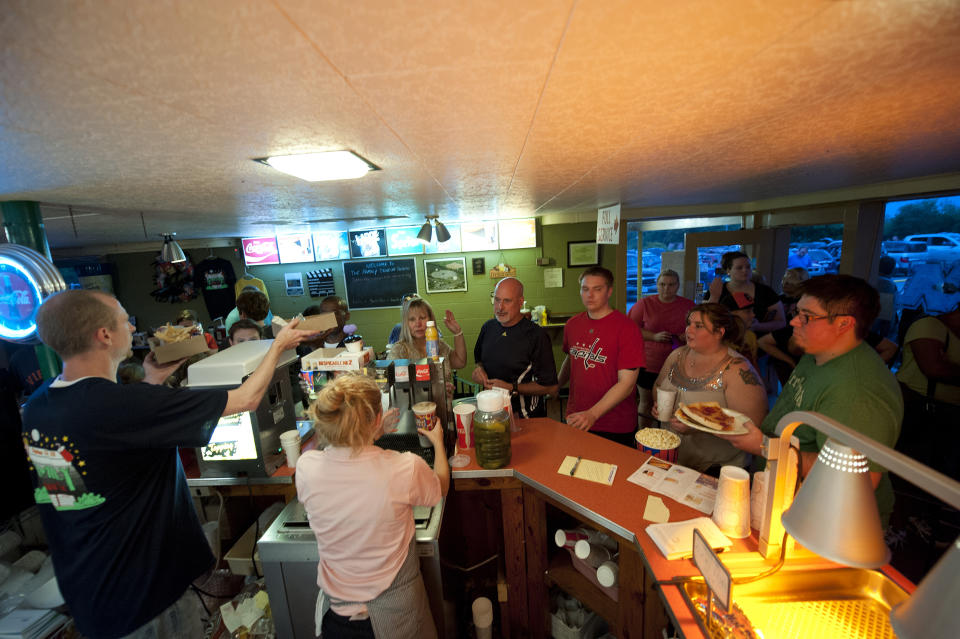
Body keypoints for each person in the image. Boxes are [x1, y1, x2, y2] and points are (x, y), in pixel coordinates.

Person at [20, 290, 319, 639]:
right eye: (123, 320)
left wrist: (152, 381)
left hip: (91, 595)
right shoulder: (124, 404)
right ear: (104, 335)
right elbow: (247, 398)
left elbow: (105, 455)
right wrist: (277, 346)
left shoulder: (39, 405)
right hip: (146, 599)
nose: (132, 327)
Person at [729, 274, 903, 526]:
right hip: (788, 499)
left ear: (844, 324)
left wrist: (764, 446)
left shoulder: (857, 390)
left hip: (831, 521)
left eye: (807, 317)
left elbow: (856, 480)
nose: (794, 321)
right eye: (797, 312)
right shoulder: (815, 353)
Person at [296, 374, 447, 638]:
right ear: (378, 419)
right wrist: (438, 443)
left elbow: (346, 460)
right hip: (398, 618)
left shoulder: (306, 467)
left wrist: (369, 434)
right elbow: (439, 489)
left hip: (338, 621)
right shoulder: (405, 467)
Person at [651, 304, 767, 474]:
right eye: (689, 324)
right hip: (674, 458)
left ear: (719, 332)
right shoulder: (677, 355)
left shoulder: (736, 368)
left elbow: (752, 424)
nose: (689, 330)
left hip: (717, 468)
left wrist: (697, 425)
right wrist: (659, 406)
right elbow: (658, 387)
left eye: (698, 326)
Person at [558, 267, 645, 447]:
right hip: (577, 415)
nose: (590, 295)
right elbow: (572, 358)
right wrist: (556, 385)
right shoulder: (572, 325)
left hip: (614, 423)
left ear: (609, 291)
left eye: (597, 289)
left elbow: (627, 384)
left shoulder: (627, 328)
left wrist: (593, 414)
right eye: (585, 289)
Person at [472, 277, 558, 418]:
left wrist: (511, 387)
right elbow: (479, 361)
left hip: (525, 416)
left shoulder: (536, 335)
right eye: (497, 300)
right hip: (491, 413)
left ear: (520, 302)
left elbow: (551, 387)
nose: (500, 307)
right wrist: (479, 372)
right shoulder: (488, 328)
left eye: (507, 301)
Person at [895, 302, 960, 478]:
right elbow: (934, 369)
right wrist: (946, 367)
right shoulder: (928, 326)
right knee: (916, 472)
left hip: (947, 412)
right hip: (921, 408)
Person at [627, 269, 695, 398]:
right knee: (646, 401)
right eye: (662, 284)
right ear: (657, 285)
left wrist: (687, 335)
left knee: (674, 402)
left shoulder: (688, 305)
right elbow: (630, 330)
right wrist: (653, 336)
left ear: (678, 285)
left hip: (680, 362)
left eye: (671, 285)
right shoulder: (644, 304)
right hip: (650, 363)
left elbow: (699, 329)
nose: (666, 288)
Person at [387, 298, 466, 386]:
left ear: (430, 319)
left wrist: (458, 332)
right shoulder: (399, 350)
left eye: (422, 318)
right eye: (412, 319)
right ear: (406, 323)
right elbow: (392, 385)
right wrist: (438, 390)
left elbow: (460, 362)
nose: (418, 324)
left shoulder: (440, 345)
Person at [706, 251, 785, 334]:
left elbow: (781, 322)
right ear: (728, 270)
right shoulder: (717, 289)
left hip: (757, 340)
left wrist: (759, 326)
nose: (745, 270)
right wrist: (714, 297)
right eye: (739, 268)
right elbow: (705, 319)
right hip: (724, 340)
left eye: (748, 267)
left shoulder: (765, 291)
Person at [872, 255, 899, 339]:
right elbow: (885, 314)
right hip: (876, 333)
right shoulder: (887, 285)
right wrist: (883, 338)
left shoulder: (872, 279)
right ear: (892, 270)